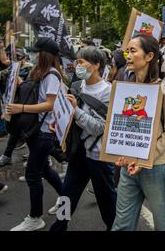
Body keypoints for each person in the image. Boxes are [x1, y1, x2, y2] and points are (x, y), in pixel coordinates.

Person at [111, 33, 165, 231]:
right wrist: (117, 152)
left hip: (157, 168)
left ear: (149, 56)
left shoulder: (163, 90)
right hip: (128, 168)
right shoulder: (125, 90)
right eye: (127, 51)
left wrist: (144, 159)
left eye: (133, 51)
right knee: (122, 225)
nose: (128, 55)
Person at [48, 46, 116, 231]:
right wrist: (59, 123)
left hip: (98, 156)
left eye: (81, 62)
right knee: (66, 195)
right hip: (78, 152)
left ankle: (113, 227)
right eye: (77, 61)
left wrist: (76, 110)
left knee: (106, 200)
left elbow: (99, 128)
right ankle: (59, 227)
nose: (77, 66)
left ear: (96, 65)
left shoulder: (109, 92)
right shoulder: (77, 86)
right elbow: (68, 114)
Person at [7, 37, 63, 231]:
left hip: (44, 133)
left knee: (33, 175)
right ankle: (66, 198)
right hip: (36, 131)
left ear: (44, 55)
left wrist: (20, 108)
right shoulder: (42, 72)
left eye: (36, 52)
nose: (33, 55)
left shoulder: (52, 75)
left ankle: (35, 217)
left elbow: (49, 104)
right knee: (45, 170)